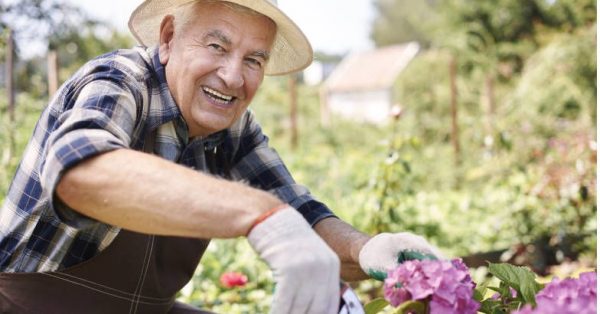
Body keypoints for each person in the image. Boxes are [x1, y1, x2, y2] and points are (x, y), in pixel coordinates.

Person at [0, 0, 442, 313]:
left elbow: (299, 212)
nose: (232, 77)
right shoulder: (119, 81)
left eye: (254, 59)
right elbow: (82, 174)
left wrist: (368, 250)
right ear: (170, 37)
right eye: (217, 46)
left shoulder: (233, 128)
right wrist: (260, 214)